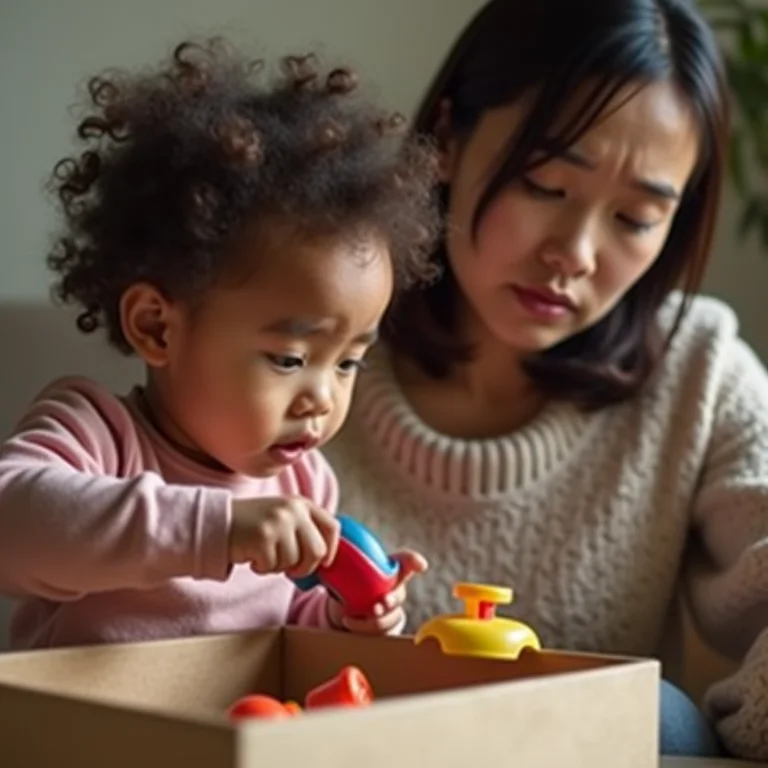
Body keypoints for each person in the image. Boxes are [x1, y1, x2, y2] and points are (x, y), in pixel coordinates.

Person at [322, 0, 768, 759]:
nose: (576, 254)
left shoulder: (700, 370)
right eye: (546, 186)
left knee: (657, 716)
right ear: (449, 141)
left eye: (633, 220)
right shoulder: (307, 340)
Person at [0, 39, 439, 650]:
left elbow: (274, 637)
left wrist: (345, 619)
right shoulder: (96, 435)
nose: (321, 397)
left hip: (231, 740)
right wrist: (218, 529)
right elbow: (13, 527)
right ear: (157, 327)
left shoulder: (304, 485)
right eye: (290, 359)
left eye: (348, 363)